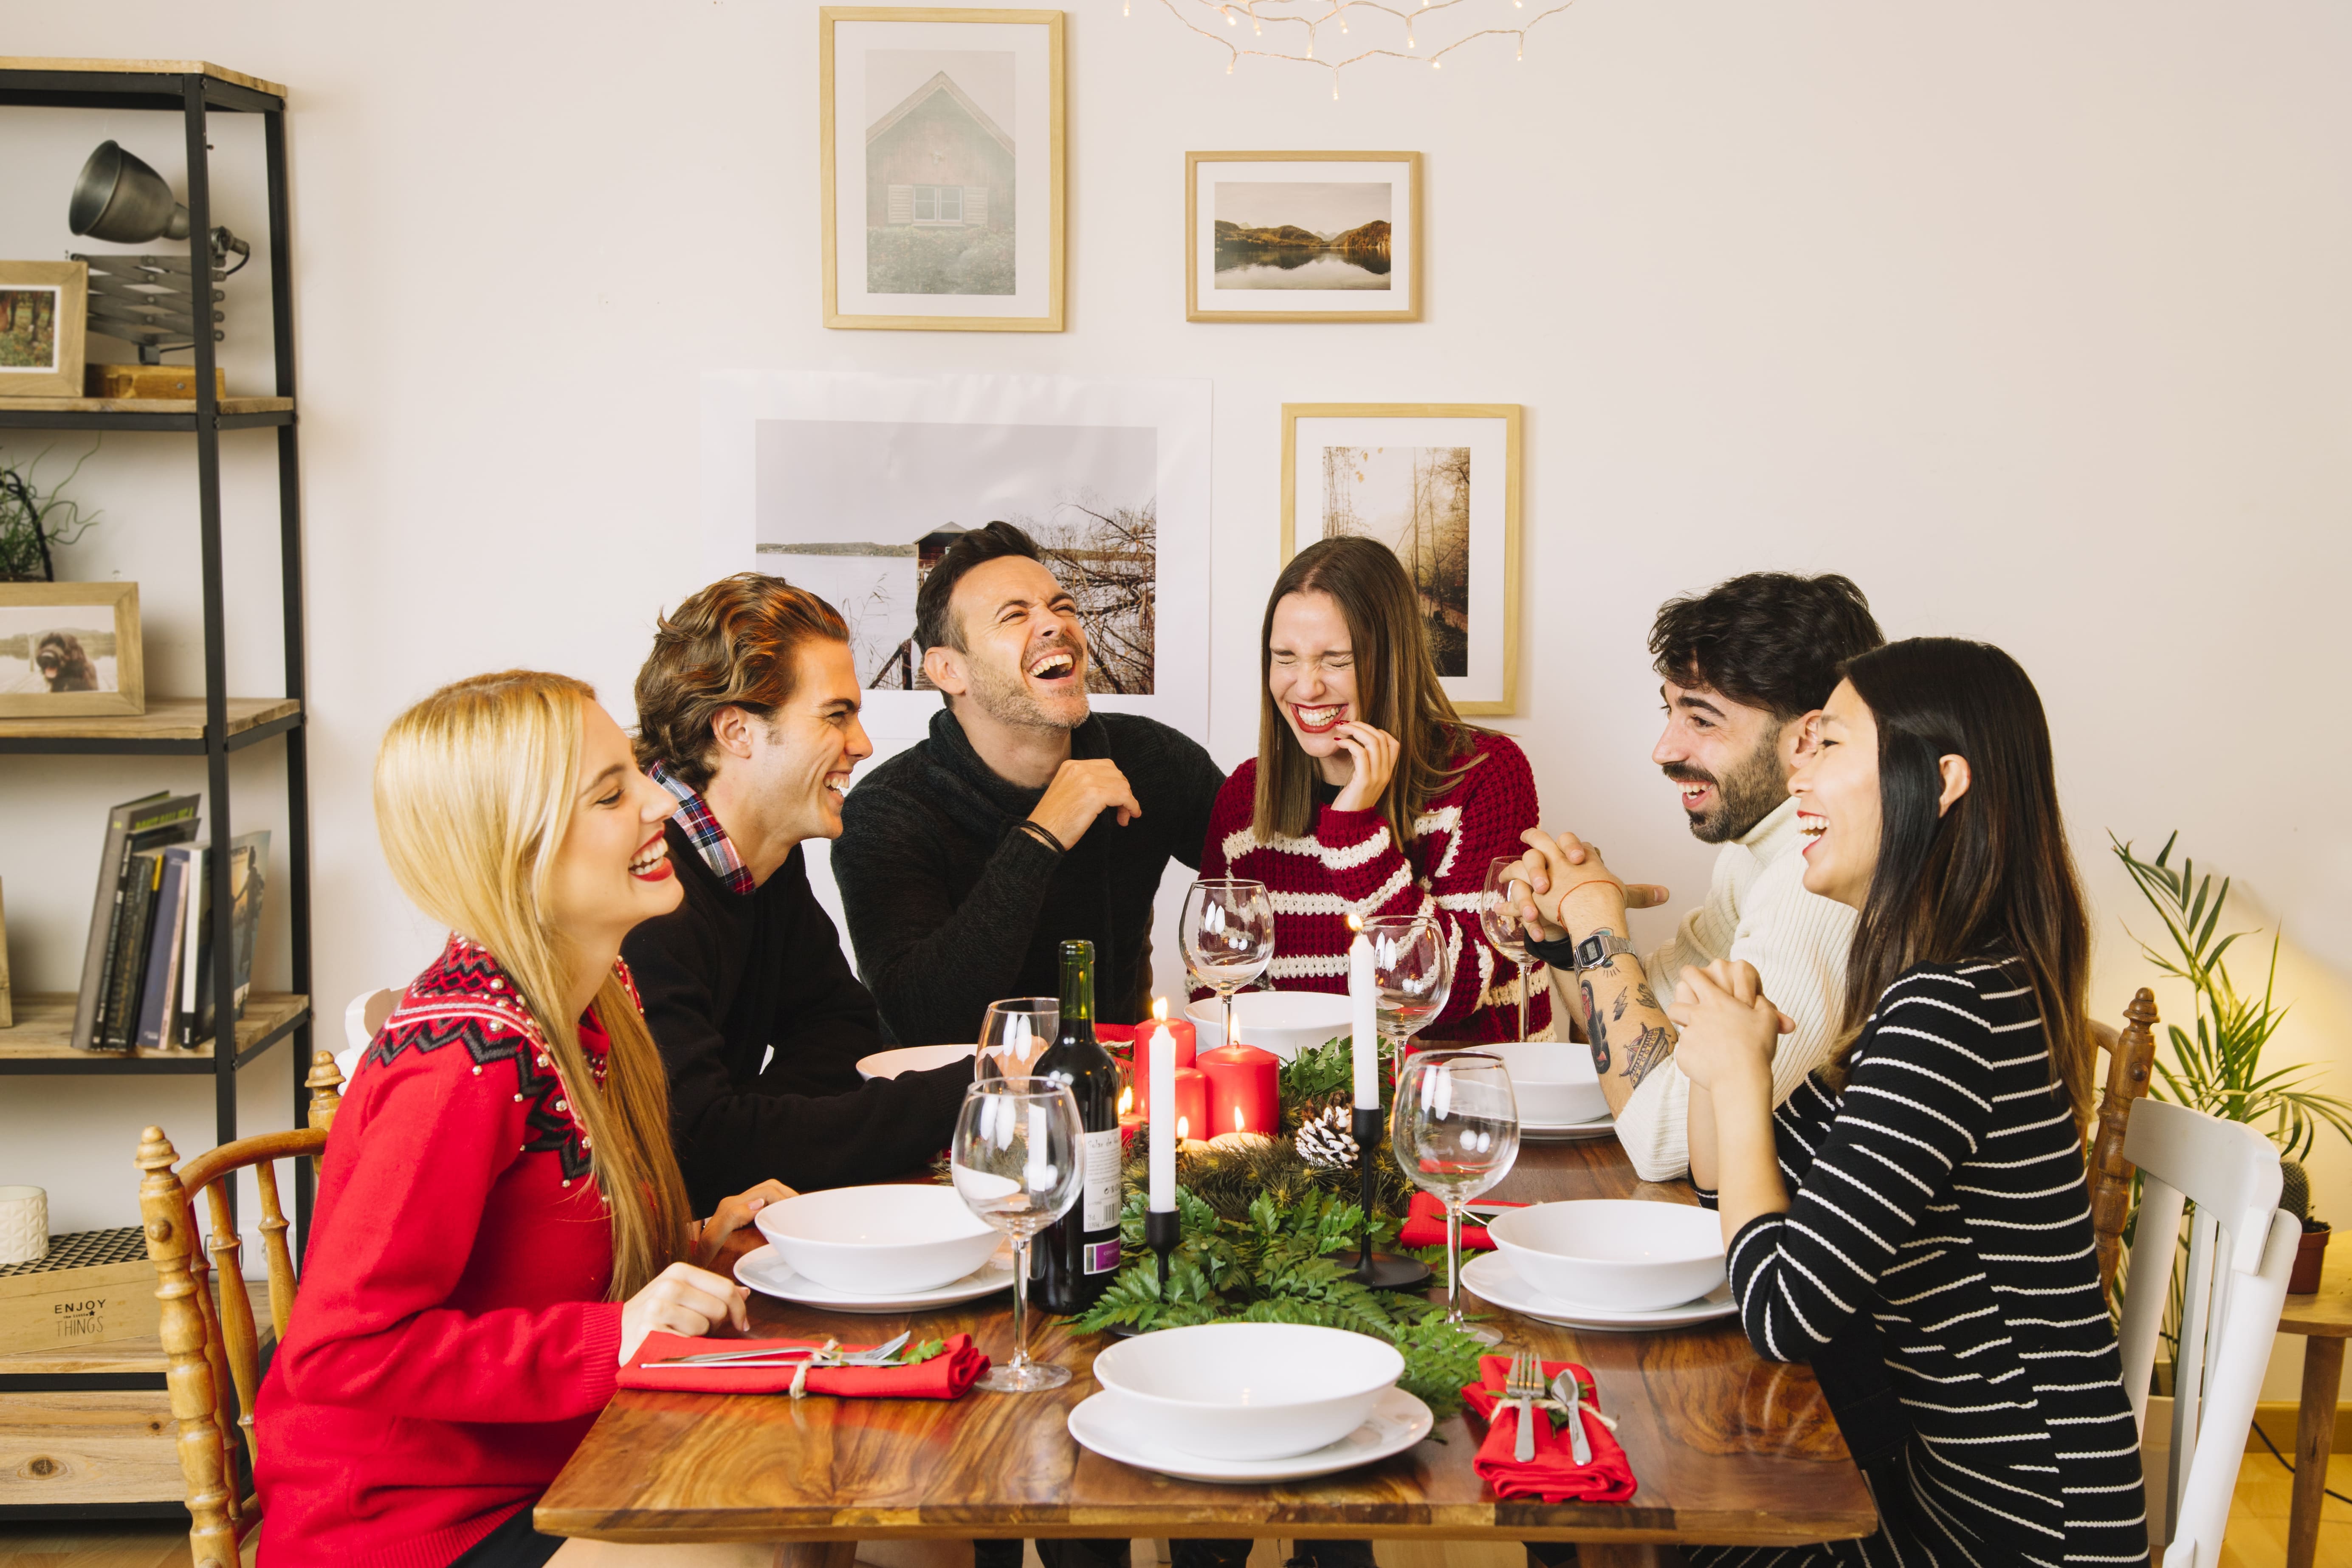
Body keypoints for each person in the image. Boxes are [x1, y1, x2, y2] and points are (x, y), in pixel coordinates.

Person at [256, 671, 791, 1568]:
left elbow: (538, 1265)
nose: (661, 801)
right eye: (612, 793)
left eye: (640, 774)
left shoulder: (598, 997)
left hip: (563, 1464)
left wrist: (696, 1247)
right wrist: (615, 1334)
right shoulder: (461, 1063)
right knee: (769, 1532)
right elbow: (340, 1352)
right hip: (414, 1525)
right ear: (517, 847)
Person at [1668, 639, 2148, 1567]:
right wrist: (1725, 1061)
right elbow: (1728, 1199)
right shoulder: (1934, 985)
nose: (1798, 766)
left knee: (1680, 1530)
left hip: (2018, 1531)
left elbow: (1779, 1309)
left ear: (1941, 781)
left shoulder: (1952, 1009)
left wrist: (1738, 1078)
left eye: (1830, 743)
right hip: (1946, 1485)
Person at [1510, 572, 1883, 1179]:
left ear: (1807, 737)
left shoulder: (1816, 878)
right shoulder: (1755, 846)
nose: (1663, 748)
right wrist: (1567, 931)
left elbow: (1664, 1139)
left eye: (1701, 721)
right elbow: (1647, 1031)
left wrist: (1595, 921)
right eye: (1670, 712)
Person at [622, 574, 975, 1212]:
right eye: (836, 715)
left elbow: (839, 1021)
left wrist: (757, 1126)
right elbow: (698, 1151)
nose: (862, 745)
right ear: (736, 732)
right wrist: (978, 1088)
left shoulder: (764, 855)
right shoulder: (638, 886)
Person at [834, 521, 1226, 1044]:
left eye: (1062, 607)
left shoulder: (1152, 759)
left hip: (1124, 1106)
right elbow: (922, 1020)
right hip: (958, 1115)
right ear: (949, 670)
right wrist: (1042, 835)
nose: (1053, 624)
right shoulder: (886, 811)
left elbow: (1270, 867)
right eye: (1015, 615)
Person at [1198, 534, 1547, 1043]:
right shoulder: (1244, 799)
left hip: (1470, 1097)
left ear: (1391, 661)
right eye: (1285, 656)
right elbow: (1220, 995)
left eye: (1337, 659)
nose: (1306, 685)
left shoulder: (1487, 774)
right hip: (1311, 1107)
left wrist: (1354, 833)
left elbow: (1459, 987)